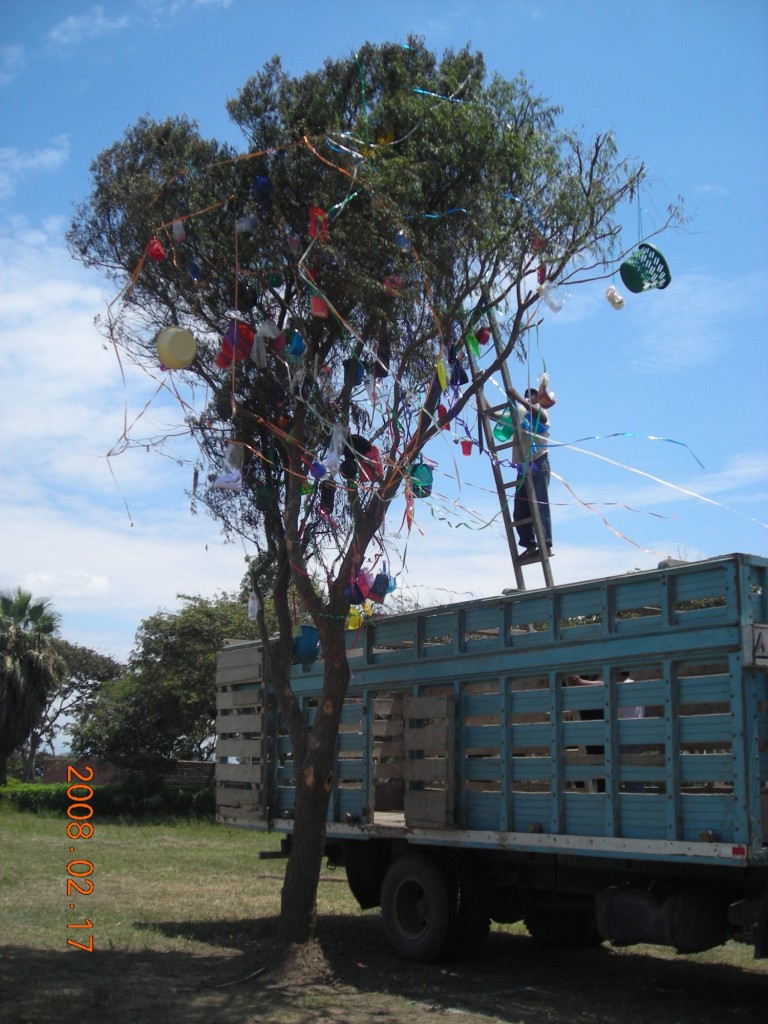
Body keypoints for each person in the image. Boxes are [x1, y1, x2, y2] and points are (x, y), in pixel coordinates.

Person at [566, 672, 644, 792]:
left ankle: (618, 803)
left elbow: (602, 685)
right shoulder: (635, 685)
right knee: (632, 774)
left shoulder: (622, 686)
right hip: (638, 737)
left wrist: (581, 682)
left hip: (624, 737)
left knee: (616, 774)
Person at [510, 386, 552, 559]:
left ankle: (545, 544)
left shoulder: (541, 412)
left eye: (531, 395)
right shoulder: (518, 415)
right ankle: (530, 545)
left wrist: (519, 398)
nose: (528, 397)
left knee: (539, 505)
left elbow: (540, 417)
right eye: (526, 395)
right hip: (523, 466)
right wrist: (481, 402)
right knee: (520, 510)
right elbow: (497, 417)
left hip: (538, 462)